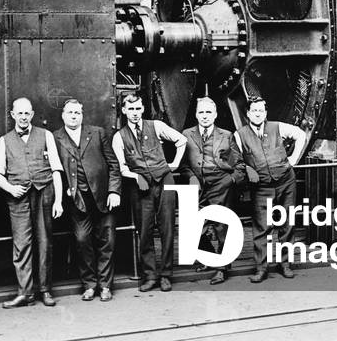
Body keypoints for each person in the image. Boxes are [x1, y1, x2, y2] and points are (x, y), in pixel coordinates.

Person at [0, 97, 64, 308]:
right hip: (18, 198)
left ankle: (45, 290)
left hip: (44, 193)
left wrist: (58, 200)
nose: (23, 117)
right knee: (21, 245)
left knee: (44, 242)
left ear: (32, 115)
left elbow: (56, 169)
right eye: (19, 113)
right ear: (13, 115)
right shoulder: (3, 141)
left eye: (27, 113)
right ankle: (25, 293)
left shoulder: (46, 135)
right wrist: (10, 188)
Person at [111, 92, 186, 292]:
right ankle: (150, 275)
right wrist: (136, 177)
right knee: (144, 231)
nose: (135, 113)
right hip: (140, 186)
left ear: (142, 109)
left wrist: (174, 164)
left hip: (164, 181)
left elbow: (181, 141)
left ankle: (166, 275)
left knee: (167, 228)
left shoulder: (157, 126)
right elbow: (121, 167)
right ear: (124, 110)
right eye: (130, 109)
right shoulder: (119, 137)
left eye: (138, 108)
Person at [53, 98, 122, 302]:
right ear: (63, 115)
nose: (74, 116)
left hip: (104, 198)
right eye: (70, 113)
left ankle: (105, 286)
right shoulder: (55, 138)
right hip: (77, 200)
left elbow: (113, 165)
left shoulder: (98, 133)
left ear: (82, 115)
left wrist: (114, 191)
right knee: (82, 241)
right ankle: (90, 285)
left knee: (107, 242)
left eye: (77, 113)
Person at [233, 95, 307, 283]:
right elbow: (237, 160)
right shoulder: (239, 135)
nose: (258, 114)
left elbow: (301, 134)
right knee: (261, 228)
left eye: (261, 110)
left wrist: (293, 160)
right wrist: (248, 168)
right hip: (262, 187)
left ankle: (285, 265)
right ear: (248, 113)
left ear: (265, 113)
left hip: (285, 182)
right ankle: (261, 268)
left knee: (287, 224)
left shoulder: (277, 127)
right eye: (254, 111)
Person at [182, 96, 245, 284]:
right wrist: (191, 177)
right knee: (193, 226)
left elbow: (240, 164)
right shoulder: (186, 134)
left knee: (221, 226)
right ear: (196, 114)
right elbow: (182, 163)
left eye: (208, 112)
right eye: (201, 112)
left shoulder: (226, 135)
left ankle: (222, 267)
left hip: (220, 182)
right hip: (198, 183)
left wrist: (230, 180)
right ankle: (210, 257)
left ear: (215, 114)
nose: (205, 116)